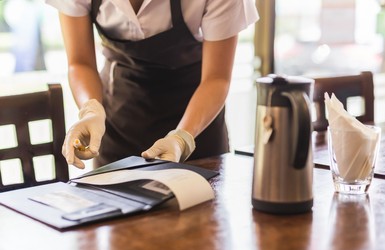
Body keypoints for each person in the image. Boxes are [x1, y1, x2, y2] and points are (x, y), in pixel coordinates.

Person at [46, 0, 259, 169]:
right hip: (117, 124)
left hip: (196, 129)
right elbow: (80, 63)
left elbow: (217, 78)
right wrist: (91, 110)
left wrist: (181, 138)